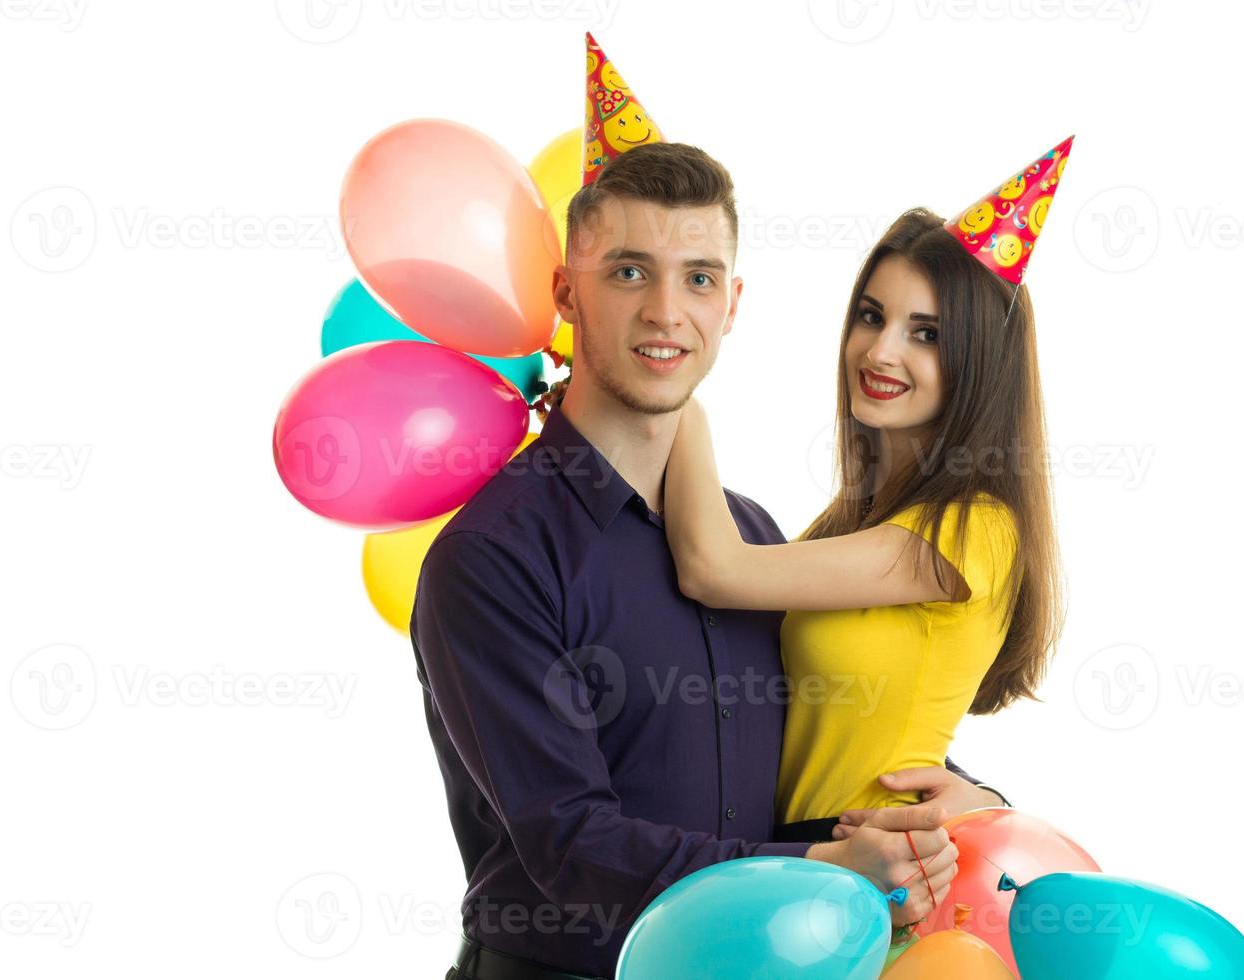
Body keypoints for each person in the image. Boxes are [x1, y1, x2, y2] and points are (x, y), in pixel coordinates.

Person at [411, 143, 1004, 980]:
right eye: (627, 272)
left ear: (731, 304)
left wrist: (969, 803)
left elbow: (836, 733)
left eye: (697, 277)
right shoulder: (495, 557)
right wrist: (816, 871)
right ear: (565, 294)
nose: (665, 311)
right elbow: (572, 844)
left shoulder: (753, 538)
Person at [663, 206, 1064, 960]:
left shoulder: (973, 529)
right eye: (872, 317)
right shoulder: (853, 521)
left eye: (927, 333)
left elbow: (715, 569)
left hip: (877, 889)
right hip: (800, 873)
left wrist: (669, 390)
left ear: (981, 362)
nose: (880, 350)